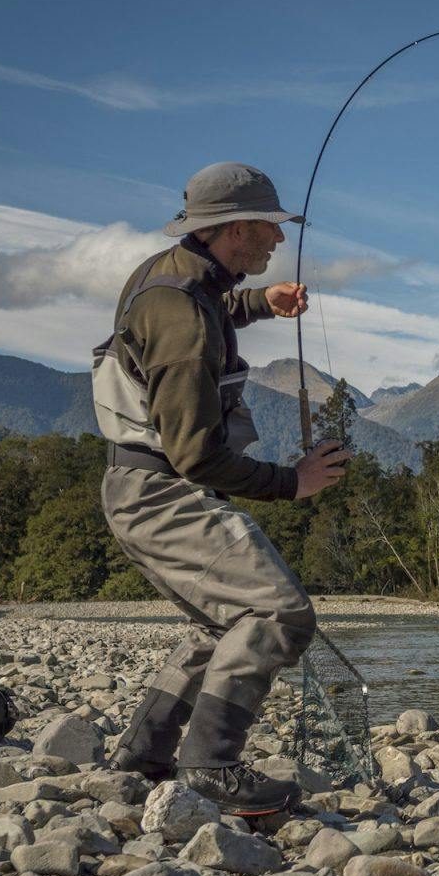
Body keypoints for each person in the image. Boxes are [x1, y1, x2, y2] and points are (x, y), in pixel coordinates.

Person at [94, 161, 350, 816]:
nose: (277, 240)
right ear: (233, 229)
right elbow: (197, 456)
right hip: (164, 491)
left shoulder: (174, 276)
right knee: (277, 612)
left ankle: (144, 754)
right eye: (269, 227)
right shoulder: (182, 313)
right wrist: (293, 482)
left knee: (219, 624)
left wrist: (265, 301)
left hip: (140, 486)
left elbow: (219, 306)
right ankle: (211, 766)